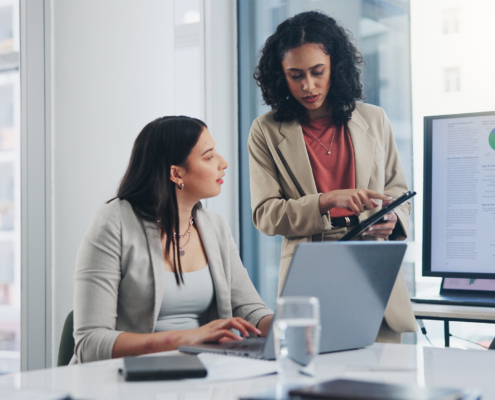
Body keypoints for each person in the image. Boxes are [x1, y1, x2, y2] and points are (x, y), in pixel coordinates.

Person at [248, 11, 416, 342]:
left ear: (334, 67)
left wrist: (392, 219)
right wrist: (326, 201)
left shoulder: (375, 119)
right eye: (295, 75)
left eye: (317, 72)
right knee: (310, 380)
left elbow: (399, 193)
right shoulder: (265, 131)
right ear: (281, 77)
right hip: (310, 271)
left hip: (371, 266)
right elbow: (265, 215)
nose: (308, 86)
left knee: (381, 379)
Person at [71, 116, 273, 364]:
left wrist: (290, 323)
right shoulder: (114, 222)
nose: (224, 163)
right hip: (123, 380)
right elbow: (90, 343)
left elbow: (251, 311)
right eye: (209, 157)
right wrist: (189, 338)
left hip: (200, 375)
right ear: (176, 173)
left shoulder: (215, 226)